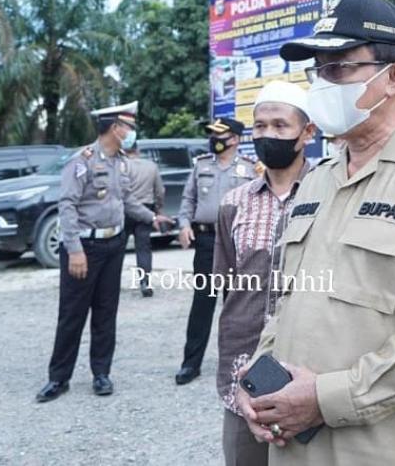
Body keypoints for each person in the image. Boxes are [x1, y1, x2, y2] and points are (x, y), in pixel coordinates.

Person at [236, 0, 395, 466]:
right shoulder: (316, 181)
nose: (321, 84)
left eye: (338, 67)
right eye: (318, 70)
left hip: (386, 449)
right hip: (296, 445)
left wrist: (328, 397)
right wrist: (259, 373)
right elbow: (287, 303)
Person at [36, 101, 174, 402]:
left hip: (114, 246)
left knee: (105, 313)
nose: (131, 133)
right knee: (72, 315)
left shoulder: (120, 162)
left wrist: (152, 218)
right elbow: (67, 206)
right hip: (84, 247)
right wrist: (74, 250)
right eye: (129, 127)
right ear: (115, 128)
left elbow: (126, 201)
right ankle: (58, 378)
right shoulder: (82, 161)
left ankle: (101, 373)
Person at [215, 81, 316, 466]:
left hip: (311, 368)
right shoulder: (233, 204)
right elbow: (226, 285)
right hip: (244, 369)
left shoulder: (329, 194)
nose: (267, 135)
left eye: (279, 125)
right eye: (259, 126)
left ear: (307, 133)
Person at [174, 116, 257, 385]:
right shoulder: (201, 166)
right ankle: (190, 364)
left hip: (236, 243)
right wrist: (184, 224)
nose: (214, 140)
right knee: (202, 304)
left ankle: (237, 363)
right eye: (212, 135)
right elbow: (188, 199)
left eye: (219, 135)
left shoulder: (250, 169)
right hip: (207, 242)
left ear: (234, 139)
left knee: (235, 305)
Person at [124, 142, 165, 297]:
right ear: (138, 150)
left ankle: (110, 281)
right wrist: (159, 208)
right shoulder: (151, 166)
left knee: (118, 247)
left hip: (125, 209)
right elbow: (159, 190)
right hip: (146, 208)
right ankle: (145, 281)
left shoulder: (121, 166)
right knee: (143, 248)